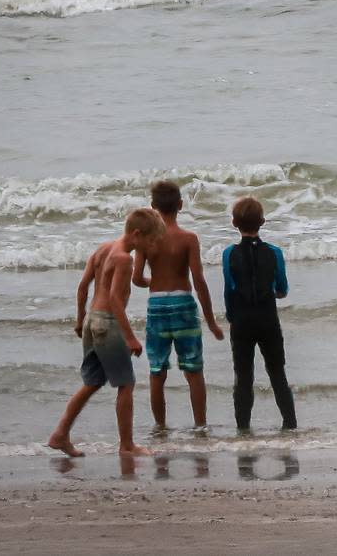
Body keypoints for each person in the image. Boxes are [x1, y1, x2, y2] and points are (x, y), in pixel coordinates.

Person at [48, 208, 166, 457]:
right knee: (126, 384)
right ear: (137, 234)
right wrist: (131, 336)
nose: (152, 246)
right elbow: (114, 299)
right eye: (151, 240)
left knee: (92, 382)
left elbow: (82, 287)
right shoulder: (124, 259)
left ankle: (60, 435)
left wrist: (81, 321)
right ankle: (127, 445)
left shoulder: (104, 248)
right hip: (108, 324)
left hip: (93, 320)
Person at [132, 179, 224, 430]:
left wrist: (155, 280)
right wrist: (212, 321)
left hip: (157, 307)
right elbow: (199, 280)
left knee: (157, 371)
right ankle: (200, 425)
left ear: (152, 207)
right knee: (193, 370)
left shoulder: (147, 241)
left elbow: (137, 278)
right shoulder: (189, 238)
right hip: (184, 303)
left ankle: (160, 427)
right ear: (181, 205)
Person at [222, 196, 297, 432]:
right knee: (277, 373)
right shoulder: (274, 253)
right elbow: (282, 290)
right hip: (268, 320)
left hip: (242, 321)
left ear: (234, 223)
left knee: (243, 377)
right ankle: (290, 423)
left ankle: (243, 428)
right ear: (263, 221)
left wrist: (231, 317)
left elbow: (229, 289)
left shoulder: (228, 254)